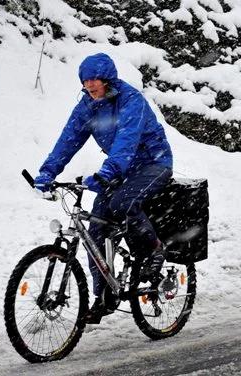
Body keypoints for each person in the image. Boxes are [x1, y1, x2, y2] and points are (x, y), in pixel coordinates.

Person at [34, 53, 173, 323]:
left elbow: (126, 141)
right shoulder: (87, 107)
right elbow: (68, 140)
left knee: (122, 203)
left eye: (94, 79)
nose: (89, 85)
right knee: (96, 227)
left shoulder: (131, 101)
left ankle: (154, 248)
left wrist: (107, 172)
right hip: (123, 171)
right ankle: (104, 296)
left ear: (107, 78)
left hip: (153, 164)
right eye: (85, 81)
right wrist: (47, 172)